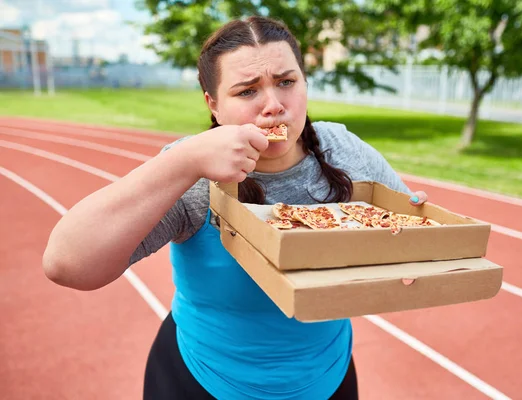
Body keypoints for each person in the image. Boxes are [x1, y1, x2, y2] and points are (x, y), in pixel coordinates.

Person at [42, 16, 428, 400]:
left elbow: (410, 237)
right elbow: (66, 264)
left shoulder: (343, 149)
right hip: (203, 381)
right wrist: (183, 161)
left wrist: (416, 229)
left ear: (305, 83)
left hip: (328, 378)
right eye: (247, 92)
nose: (274, 106)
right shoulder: (192, 171)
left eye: (286, 82)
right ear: (213, 105)